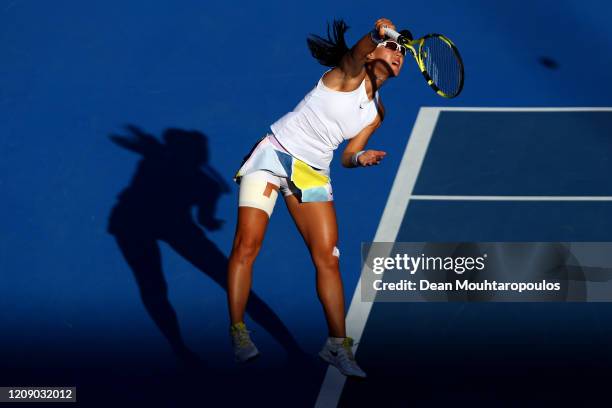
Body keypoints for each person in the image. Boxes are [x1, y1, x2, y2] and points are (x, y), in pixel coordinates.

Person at [227, 17, 406, 377]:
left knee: (328, 257)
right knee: (248, 245)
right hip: (273, 157)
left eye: (402, 52)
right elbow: (358, 49)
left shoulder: (377, 112)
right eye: (393, 47)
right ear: (372, 54)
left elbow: (346, 156)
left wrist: (360, 158)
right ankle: (238, 330)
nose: (398, 54)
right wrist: (376, 34)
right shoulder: (349, 73)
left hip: (312, 173)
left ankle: (336, 345)